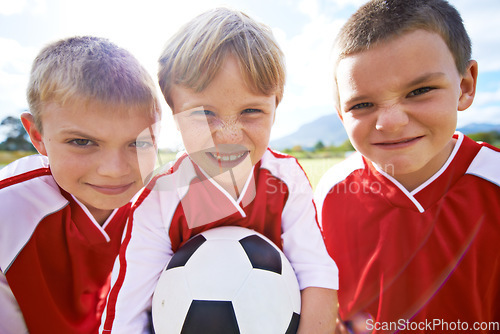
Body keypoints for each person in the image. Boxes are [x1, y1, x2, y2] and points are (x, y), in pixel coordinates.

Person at [100, 7, 339, 334]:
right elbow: (127, 311)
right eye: (204, 113)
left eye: (251, 111)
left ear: (276, 107)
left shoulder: (286, 179)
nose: (228, 135)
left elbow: (317, 276)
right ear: (174, 113)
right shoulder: (161, 198)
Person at [315, 0, 500, 333]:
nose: (391, 122)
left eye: (420, 90)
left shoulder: (494, 183)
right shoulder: (330, 193)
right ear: (341, 113)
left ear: (466, 85)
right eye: (362, 104)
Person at [0, 36, 161, 334]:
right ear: (37, 136)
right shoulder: (8, 210)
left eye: (138, 143)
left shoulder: (164, 207)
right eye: (82, 142)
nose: (114, 170)